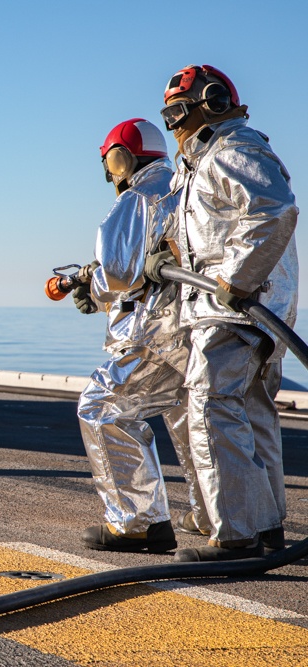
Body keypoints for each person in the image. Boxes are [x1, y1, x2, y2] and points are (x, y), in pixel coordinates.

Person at [146, 65, 298, 562]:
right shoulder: (206, 159)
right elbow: (210, 226)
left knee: (211, 407)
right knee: (251, 413)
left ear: (209, 102)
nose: (173, 126)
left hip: (234, 308)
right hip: (240, 307)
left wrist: (237, 279)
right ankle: (266, 526)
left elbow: (273, 210)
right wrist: (168, 254)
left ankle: (235, 535)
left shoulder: (234, 148)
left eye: (176, 112)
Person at [74, 118, 207, 553]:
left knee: (102, 406)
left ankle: (138, 523)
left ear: (121, 158)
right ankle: (217, 517)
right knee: (190, 415)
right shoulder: (186, 186)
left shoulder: (138, 197)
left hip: (154, 332)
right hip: (199, 328)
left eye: (111, 164)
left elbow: (117, 272)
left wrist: (90, 289)